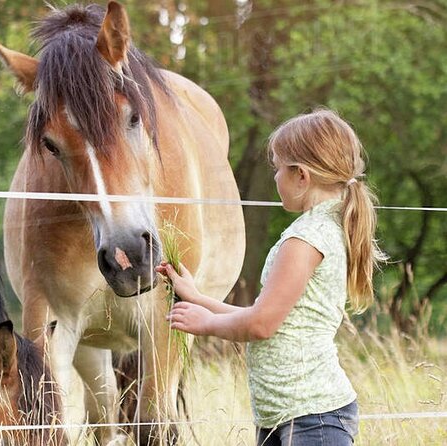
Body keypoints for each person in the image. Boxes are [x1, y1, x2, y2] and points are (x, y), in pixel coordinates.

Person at [157, 109, 386, 445]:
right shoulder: (325, 228)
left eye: (278, 168)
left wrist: (205, 324)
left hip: (312, 420)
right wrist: (195, 296)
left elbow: (260, 326)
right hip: (288, 415)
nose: (275, 177)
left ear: (301, 176)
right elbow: (267, 317)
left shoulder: (306, 239)